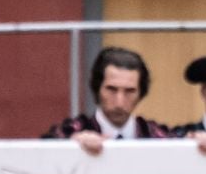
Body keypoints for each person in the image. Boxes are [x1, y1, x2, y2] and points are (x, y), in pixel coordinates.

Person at [42, 47, 176, 155]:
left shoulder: (157, 136)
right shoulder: (71, 131)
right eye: (112, 90)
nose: (120, 102)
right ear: (97, 88)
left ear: (141, 93)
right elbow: (42, 152)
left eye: (129, 91)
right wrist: (70, 146)